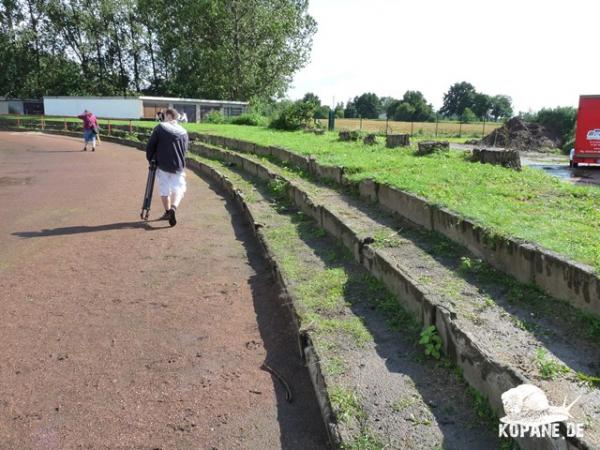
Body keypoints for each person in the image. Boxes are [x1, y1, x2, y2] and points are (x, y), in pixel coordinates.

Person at [146, 108, 189, 227]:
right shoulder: (184, 131)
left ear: (169, 116)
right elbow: (185, 149)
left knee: (164, 188)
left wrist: (150, 159)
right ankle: (173, 208)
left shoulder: (160, 127)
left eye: (165, 116)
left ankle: (167, 211)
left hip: (162, 164)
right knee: (179, 188)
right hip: (178, 165)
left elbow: (150, 145)